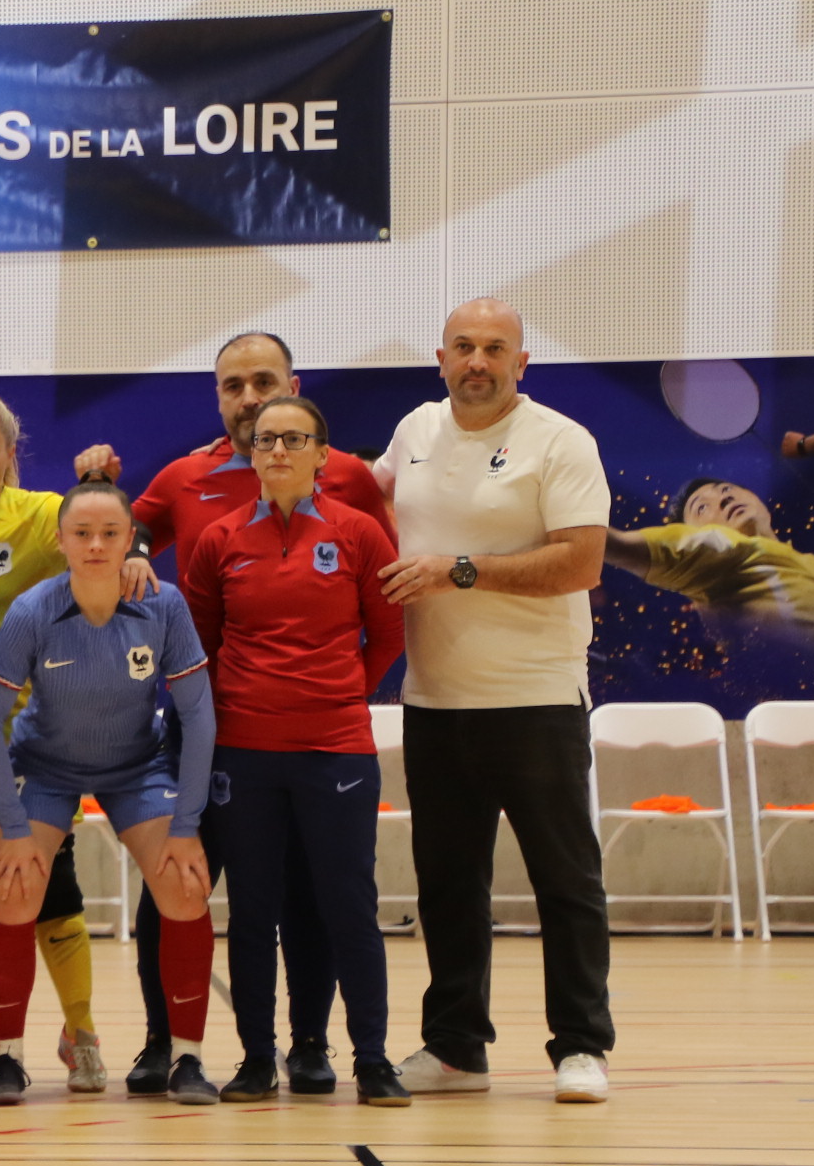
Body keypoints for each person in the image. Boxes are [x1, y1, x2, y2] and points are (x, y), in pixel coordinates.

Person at [73, 333, 396, 1096]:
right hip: (214, 731)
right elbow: (125, 526)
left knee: (314, 896)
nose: (251, 401)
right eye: (234, 387)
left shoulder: (348, 480)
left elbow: (383, 617)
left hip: (319, 733)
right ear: (219, 398)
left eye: (264, 384)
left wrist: (340, 687)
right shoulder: (189, 477)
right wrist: (114, 513)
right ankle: (165, 1043)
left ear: (295, 391)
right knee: (178, 883)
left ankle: (313, 1046)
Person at [375, 298, 613, 1104]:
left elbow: (581, 562)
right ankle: (455, 1048)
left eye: (495, 349)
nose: (478, 361)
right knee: (446, 882)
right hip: (434, 699)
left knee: (565, 879)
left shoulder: (560, 440)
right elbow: (347, 495)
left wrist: (458, 570)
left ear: (522, 363)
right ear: (440, 358)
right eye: (464, 347)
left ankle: (581, 1046)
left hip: (537, 697)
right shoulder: (413, 432)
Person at [181, 395, 409, 1106]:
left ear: (321, 455)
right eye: (266, 439)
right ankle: (256, 1058)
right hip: (244, 753)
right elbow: (202, 643)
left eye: (294, 439)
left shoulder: (361, 533)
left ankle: (368, 1058)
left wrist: (334, 695)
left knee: (347, 905)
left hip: (336, 750)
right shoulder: (218, 540)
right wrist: (254, 704)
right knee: (253, 910)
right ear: (251, 453)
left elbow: (389, 637)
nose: (278, 450)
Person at [0, 483, 218, 1104]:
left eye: (111, 533)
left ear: (132, 539)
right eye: (82, 533)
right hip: (45, 767)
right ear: (60, 542)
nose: (96, 544)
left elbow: (200, 715)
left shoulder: (164, 607)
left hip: (135, 767)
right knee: (13, 884)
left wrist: (186, 824)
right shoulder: (32, 611)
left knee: (186, 885)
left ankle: (186, 1060)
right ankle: (6, 1061)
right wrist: (12, 824)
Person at [0, 390, 131, 1096]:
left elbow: (103, 530)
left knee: (47, 889)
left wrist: (110, 500)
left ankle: (81, 1031)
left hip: (33, 745)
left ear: (13, 453)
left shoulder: (42, 515)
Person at [602, 476, 814, 656]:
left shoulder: (806, 561)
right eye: (701, 508)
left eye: (726, 489)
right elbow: (620, 545)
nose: (724, 499)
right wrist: (572, 526)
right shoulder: (722, 547)